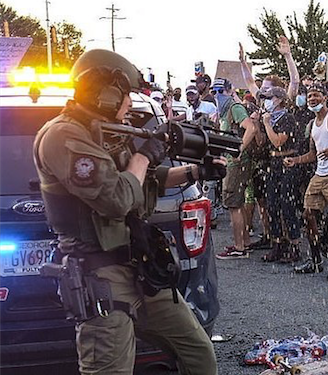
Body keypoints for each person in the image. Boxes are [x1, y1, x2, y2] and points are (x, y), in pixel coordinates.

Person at [33, 49, 219, 374]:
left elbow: (142, 182)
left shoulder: (104, 132)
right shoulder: (63, 136)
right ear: (105, 94)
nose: (131, 104)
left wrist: (195, 173)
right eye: (126, 95)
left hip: (139, 269)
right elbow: (117, 198)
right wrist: (144, 157)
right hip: (101, 275)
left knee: (199, 354)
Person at [283, 84, 328, 304]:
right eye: (309, 96)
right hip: (319, 174)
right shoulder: (311, 124)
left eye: (316, 95)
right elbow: (313, 154)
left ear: (326, 97)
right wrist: (294, 161)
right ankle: (315, 259)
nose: (312, 99)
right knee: (308, 214)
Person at [213, 78, 258, 259]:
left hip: (237, 163)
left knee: (233, 204)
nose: (217, 95)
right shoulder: (224, 110)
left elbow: (251, 128)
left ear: (230, 91)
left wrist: (239, 149)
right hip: (233, 162)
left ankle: (239, 247)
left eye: (220, 91)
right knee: (236, 204)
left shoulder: (234, 107)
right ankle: (244, 242)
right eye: (215, 91)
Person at [259, 87, 302, 263]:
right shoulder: (269, 117)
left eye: (269, 98)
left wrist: (267, 124)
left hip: (287, 162)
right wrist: (258, 125)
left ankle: (294, 245)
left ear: (279, 99)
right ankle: (278, 243)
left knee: (287, 205)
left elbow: (277, 141)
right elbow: (263, 142)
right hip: (273, 164)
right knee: (272, 205)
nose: (266, 101)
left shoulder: (287, 118)